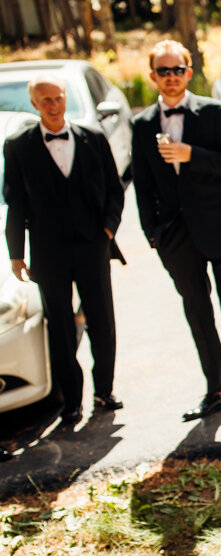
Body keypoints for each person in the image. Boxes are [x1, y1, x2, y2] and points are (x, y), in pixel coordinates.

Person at [131, 40, 221, 422]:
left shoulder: (213, 113)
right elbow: (142, 185)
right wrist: (153, 233)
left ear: (189, 73)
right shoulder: (142, 124)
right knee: (198, 315)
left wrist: (191, 154)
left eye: (178, 70)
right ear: (153, 77)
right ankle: (216, 391)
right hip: (176, 239)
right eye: (164, 71)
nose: (172, 77)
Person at [4, 74, 125, 429]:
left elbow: (115, 190)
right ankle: (71, 402)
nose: (55, 106)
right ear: (34, 105)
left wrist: (107, 230)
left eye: (58, 98)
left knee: (102, 322)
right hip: (48, 252)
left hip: (92, 247)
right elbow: (15, 203)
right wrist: (16, 253)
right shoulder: (18, 146)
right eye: (46, 101)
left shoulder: (93, 138)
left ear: (65, 98)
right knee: (59, 329)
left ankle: (105, 390)